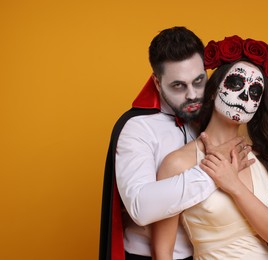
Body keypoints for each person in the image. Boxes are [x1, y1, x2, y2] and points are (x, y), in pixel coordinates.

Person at [99, 28, 253, 260]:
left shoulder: (209, 116)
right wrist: (216, 171)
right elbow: (141, 207)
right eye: (178, 86)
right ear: (157, 83)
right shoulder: (136, 128)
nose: (192, 95)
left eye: (198, 81)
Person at [152, 35, 268, 259]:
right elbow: (162, 252)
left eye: (255, 92)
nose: (244, 96)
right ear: (213, 89)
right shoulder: (178, 163)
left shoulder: (260, 159)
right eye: (236, 84)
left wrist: (233, 184)